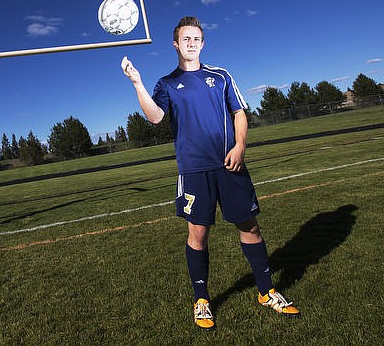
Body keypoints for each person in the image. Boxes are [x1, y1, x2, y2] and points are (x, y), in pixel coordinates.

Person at [121, 16, 299, 330]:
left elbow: (239, 112)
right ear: (175, 44)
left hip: (231, 164)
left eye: (196, 39)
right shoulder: (165, 83)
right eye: (185, 39)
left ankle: (266, 291)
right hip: (193, 170)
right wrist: (137, 83)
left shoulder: (221, 76)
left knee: (250, 227)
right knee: (198, 235)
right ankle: (202, 300)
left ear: (202, 43)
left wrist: (240, 145)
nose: (191, 43)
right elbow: (155, 117)